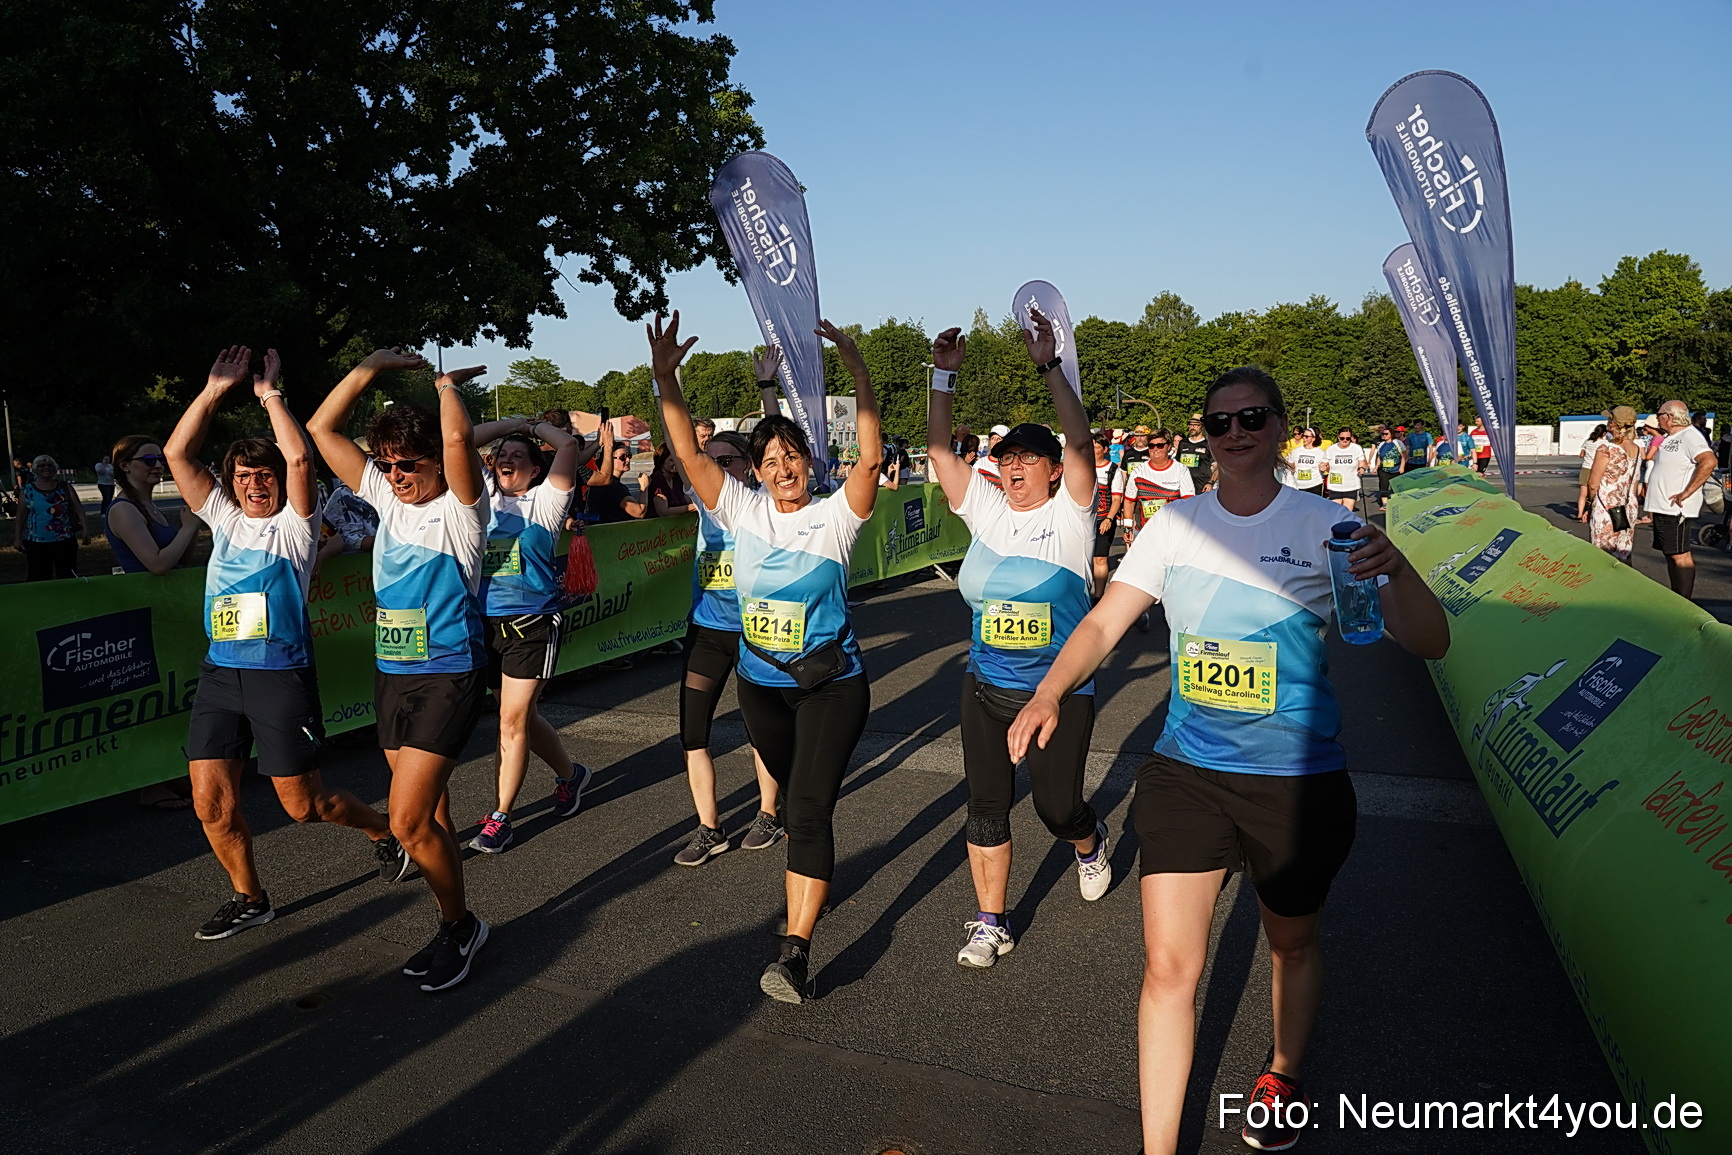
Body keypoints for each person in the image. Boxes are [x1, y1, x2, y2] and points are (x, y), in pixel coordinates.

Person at [1009, 366, 1449, 1155]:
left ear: (1280, 427)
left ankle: (1282, 1070)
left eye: (1252, 418)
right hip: (1187, 774)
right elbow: (1107, 623)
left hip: (1295, 783)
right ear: (1202, 435)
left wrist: (1399, 570)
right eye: (1220, 422)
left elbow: (1428, 640)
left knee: (1290, 943)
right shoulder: (1174, 525)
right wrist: (1048, 692)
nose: (1236, 433)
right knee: (1169, 967)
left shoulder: (1329, 526)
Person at [648, 308, 881, 1004]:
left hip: (833, 684)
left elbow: (869, 458)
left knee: (808, 811)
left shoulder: (836, 515)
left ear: (809, 462)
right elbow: (689, 457)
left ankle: (795, 952)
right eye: (770, 461)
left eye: (792, 457)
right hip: (761, 686)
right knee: (790, 794)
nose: (783, 468)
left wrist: (859, 371)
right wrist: (666, 378)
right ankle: (808, 874)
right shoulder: (742, 512)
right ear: (756, 471)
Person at [164, 346, 411, 941]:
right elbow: (177, 453)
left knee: (304, 806)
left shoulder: (294, 525)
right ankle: (249, 896)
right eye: (244, 477)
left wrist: (268, 393)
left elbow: (300, 457)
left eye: (263, 477)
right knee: (210, 804)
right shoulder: (222, 517)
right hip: (221, 674)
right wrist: (212, 390)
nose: (254, 486)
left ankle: (382, 831)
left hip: (281, 677)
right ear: (231, 484)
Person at [926, 310, 1108, 969]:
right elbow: (942, 452)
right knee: (986, 805)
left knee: (1058, 807)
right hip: (986, 687)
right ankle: (990, 921)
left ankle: (1087, 840)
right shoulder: (987, 508)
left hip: (1058, 691)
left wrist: (1049, 365)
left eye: (1030, 458)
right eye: (1006, 458)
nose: (1014, 467)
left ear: (1055, 470)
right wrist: (943, 376)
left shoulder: (1071, 516)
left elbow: (1082, 443)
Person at [308, 348, 493, 993]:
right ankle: (452, 922)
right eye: (384, 465)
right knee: (429, 817)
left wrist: (443, 387)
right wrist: (366, 370)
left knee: (406, 821)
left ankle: (462, 924)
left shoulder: (461, 512)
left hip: (449, 674)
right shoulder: (387, 503)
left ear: (436, 464)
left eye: (407, 465)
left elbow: (457, 436)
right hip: (393, 673)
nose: (393, 475)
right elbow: (320, 432)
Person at [461, 414, 598, 853]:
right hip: (484, 625)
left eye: (519, 457)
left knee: (510, 720)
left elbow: (569, 448)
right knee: (518, 716)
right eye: (502, 455)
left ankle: (500, 816)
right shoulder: (479, 498)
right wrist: (507, 427)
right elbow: (459, 441)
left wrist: (533, 428)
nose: (507, 460)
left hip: (532, 625)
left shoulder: (545, 503)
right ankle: (570, 774)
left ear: (536, 469)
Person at [1642, 400, 1716, 600]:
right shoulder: (1669, 437)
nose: (1657, 418)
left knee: (1680, 554)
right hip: (1662, 507)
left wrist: (1686, 492)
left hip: (1677, 508)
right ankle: (1676, 596)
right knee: (1670, 552)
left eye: (1658, 415)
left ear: (1669, 416)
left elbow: (1709, 461)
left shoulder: (1690, 435)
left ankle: (1684, 601)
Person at [107, 434, 201, 575]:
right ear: (125, 466)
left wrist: (194, 524)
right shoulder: (123, 509)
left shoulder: (149, 506)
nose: (158, 465)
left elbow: (182, 560)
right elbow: (158, 566)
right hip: (144, 595)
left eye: (161, 459)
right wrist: (187, 528)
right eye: (149, 460)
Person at [13, 454, 88, 580]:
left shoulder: (65, 487)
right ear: (35, 469)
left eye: (49, 465)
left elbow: (79, 509)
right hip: (36, 543)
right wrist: (17, 538)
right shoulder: (27, 490)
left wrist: (86, 530)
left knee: (68, 576)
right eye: (41, 465)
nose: (46, 468)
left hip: (64, 541)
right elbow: (21, 515)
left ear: (55, 468)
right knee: (38, 577)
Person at [1581, 406, 1641, 563]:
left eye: (1609, 419)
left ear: (1614, 424)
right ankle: (1626, 584)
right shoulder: (1637, 449)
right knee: (1623, 551)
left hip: (1606, 504)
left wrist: (1589, 503)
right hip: (1628, 506)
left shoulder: (1606, 448)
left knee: (1603, 553)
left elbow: (1593, 484)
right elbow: (1634, 482)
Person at [1125, 429, 1196, 541]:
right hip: (1144, 532)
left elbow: (1189, 502)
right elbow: (1129, 501)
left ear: (1169, 446)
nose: (1155, 449)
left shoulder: (1181, 470)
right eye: (1151, 446)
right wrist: (1127, 527)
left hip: (1172, 532)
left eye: (1160, 445)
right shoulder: (1138, 471)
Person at [1089, 430, 1125, 599]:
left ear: (1104, 449)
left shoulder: (1113, 470)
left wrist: (1109, 518)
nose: (1092, 449)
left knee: (1100, 559)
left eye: (1096, 446)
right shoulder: (1082, 466)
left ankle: (1098, 596)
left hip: (1103, 519)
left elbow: (1117, 499)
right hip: (1083, 519)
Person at [586, 426, 648, 522]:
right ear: (609, 460)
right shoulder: (613, 486)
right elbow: (639, 512)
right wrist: (644, 487)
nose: (628, 460)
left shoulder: (601, 483)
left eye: (629, 455)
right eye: (623, 457)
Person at [1323, 429, 1365, 513]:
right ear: (1338, 437)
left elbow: (1362, 462)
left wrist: (1362, 468)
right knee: (1335, 512)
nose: (1345, 440)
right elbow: (1324, 463)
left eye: (1348, 438)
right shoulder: (1331, 449)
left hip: (1351, 484)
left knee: (1347, 512)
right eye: (1342, 438)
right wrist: (1323, 466)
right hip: (1335, 485)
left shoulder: (1356, 448)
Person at [1575, 423, 1607, 521]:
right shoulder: (1605, 443)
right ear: (1604, 433)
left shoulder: (1587, 442)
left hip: (1585, 468)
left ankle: (1579, 514)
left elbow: (1581, 455)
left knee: (1583, 494)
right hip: (1597, 468)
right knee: (1595, 493)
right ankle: (1592, 513)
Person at [1176, 414, 1214, 494]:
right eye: (1190, 424)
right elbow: (1177, 464)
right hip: (1184, 487)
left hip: (1202, 487)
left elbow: (1217, 467)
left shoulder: (1208, 444)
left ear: (1202, 427)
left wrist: (1210, 482)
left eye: (1196, 425)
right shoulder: (1183, 443)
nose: (1192, 427)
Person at [1371, 425, 1405, 510]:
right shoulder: (1381, 444)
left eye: (1386, 434)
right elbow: (1379, 457)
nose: (1384, 435)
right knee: (1384, 486)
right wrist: (1376, 467)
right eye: (1383, 434)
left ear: (1391, 434)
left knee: (1395, 487)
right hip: (1384, 469)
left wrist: (1402, 467)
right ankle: (1384, 504)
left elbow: (1403, 456)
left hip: (1395, 469)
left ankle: (1396, 503)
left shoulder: (1397, 443)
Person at [1285, 428, 1325, 497]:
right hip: (1299, 486)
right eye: (1303, 436)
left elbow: (1326, 467)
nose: (1304, 438)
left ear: (1313, 438)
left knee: (1313, 507)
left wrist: (1324, 467)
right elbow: (1292, 465)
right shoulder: (1296, 451)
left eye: (1307, 436)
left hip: (1314, 485)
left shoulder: (1320, 452)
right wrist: (1288, 465)